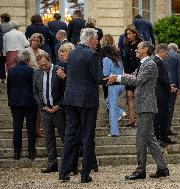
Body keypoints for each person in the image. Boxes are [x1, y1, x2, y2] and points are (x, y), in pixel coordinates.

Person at [105, 41, 169, 180]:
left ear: (145, 50)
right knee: (149, 138)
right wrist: (115, 78)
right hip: (143, 105)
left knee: (141, 138)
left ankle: (141, 170)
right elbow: (132, 76)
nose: (135, 50)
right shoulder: (143, 64)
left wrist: (118, 77)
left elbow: (137, 80)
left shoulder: (150, 64)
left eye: (138, 48)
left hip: (146, 105)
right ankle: (162, 168)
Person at [59, 28, 103, 183]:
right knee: (87, 135)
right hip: (87, 100)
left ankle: (63, 172)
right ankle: (85, 174)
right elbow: (98, 77)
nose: (97, 42)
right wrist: (115, 79)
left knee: (70, 135)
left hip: (70, 99)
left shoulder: (73, 54)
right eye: (96, 39)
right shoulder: (92, 54)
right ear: (90, 39)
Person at [33, 52, 66, 173]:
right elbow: (35, 92)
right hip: (45, 111)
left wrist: (59, 105)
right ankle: (52, 164)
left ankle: (71, 164)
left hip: (59, 110)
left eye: (45, 64)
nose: (43, 67)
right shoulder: (36, 73)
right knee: (49, 138)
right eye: (40, 65)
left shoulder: (59, 70)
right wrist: (43, 107)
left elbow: (65, 90)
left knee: (65, 137)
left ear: (49, 60)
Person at [7, 49, 37, 160]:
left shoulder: (11, 71)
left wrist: (10, 101)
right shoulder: (31, 71)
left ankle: (16, 153)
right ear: (28, 60)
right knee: (31, 128)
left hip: (15, 102)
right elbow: (34, 88)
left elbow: (9, 88)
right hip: (30, 102)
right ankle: (31, 151)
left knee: (17, 128)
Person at [153, 43, 177, 146]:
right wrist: (169, 87)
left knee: (163, 116)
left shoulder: (158, 61)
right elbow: (161, 78)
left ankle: (163, 137)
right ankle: (159, 138)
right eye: (166, 52)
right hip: (160, 94)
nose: (167, 55)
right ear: (161, 52)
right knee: (160, 117)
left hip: (162, 92)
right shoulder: (157, 61)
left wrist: (168, 85)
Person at [123, 25, 143, 127]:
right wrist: (125, 72)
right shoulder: (127, 45)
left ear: (135, 34)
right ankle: (132, 119)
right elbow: (125, 60)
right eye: (127, 34)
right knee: (129, 96)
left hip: (138, 74)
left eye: (130, 34)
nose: (128, 36)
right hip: (128, 74)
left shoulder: (140, 45)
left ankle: (139, 119)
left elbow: (142, 60)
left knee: (137, 97)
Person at [102, 45, 124, 137]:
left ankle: (114, 132)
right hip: (121, 85)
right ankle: (120, 112)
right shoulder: (118, 59)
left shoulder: (107, 59)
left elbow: (105, 73)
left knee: (112, 109)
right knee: (108, 102)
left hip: (113, 85)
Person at [164, 43, 180, 135]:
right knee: (170, 107)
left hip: (162, 85)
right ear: (175, 49)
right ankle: (167, 128)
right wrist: (179, 87)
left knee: (162, 107)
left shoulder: (162, 55)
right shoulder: (178, 56)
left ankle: (161, 128)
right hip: (173, 85)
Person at [0, 13, 13, 83]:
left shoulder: (1, 26)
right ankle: (9, 77)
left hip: (2, 47)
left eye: (1, 18)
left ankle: (2, 78)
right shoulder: (11, 26)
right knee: (9, 63)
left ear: (3, 18)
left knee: (1, 63)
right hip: (10, 47)